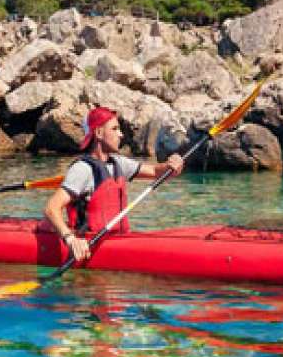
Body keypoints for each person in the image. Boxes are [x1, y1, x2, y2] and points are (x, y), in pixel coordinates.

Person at [44, 107, 184, 262]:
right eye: (115, 129)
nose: (121, 134)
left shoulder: (118, 163)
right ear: (98, 133)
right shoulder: (82, 170)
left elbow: (155, 171)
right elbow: (51, 208)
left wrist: (172, 166)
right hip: (89, 242)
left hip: (120, 238)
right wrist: (70, 239)